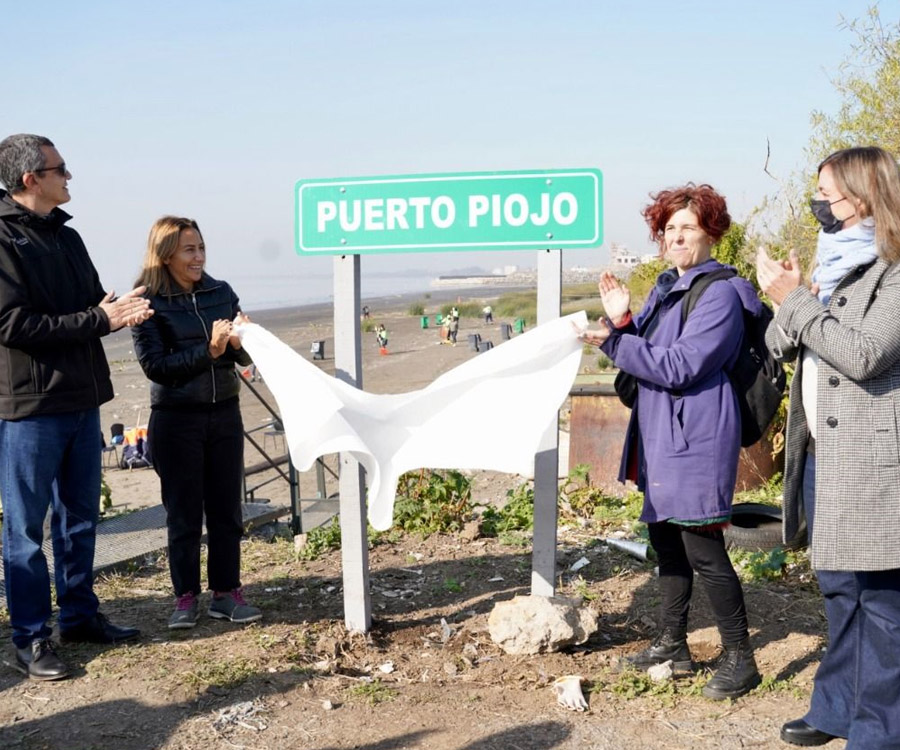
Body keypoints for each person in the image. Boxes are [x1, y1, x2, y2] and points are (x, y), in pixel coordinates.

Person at [581, 184, 762, 700]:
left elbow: (682, 365)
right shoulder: (668, 287)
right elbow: (654, 349)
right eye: (668, 229)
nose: (677, 237)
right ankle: (673, 645)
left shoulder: (721, 294)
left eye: (688, 227)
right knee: (665, 540)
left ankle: (740, 658)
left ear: (711, 232)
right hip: (660, 430)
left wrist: (615, 341)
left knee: (702, 546)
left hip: (697, 433)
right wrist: (623, 320)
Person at [757, 146, 900, 749]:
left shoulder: (893, 272)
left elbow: (865, 355)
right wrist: (792, 300)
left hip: (874, 463)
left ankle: (879, 730)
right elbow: (778, 342)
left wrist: (799, 302)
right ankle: (837, 708)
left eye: (828, 195)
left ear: (866, 199)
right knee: (841, 592)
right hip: (823, 456)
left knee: (884, 605)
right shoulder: (833, 263)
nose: (819, 205)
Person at [0, 134, 149, 680]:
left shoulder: (68, 236)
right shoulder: (2, 240)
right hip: (30, 408)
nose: (70, 177)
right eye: (60, 169)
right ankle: (32, 638)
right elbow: (11, 324)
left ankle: (81, 617)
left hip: (84, 398)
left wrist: (117, 308)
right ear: (29, 179)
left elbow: (89, 304)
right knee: (22, 531)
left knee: (80, 519)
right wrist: (98, 320)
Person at [131, 216, 261, 630]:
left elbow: (243, 358)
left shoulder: (221, 293)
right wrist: (210, 349)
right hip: (175, 419)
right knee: (184, 514)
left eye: (201, 247)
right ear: (166, 254)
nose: (198, 256)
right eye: (189, 249)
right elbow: (156, 367)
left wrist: (241, 345)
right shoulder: (149, 301)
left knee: (226, 510)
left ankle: (226, 593)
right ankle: (185, 598)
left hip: (224, 412)